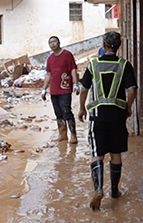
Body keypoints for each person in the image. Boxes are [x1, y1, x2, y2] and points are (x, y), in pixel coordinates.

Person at [77, 31, 137, 211]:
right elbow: (132, 90)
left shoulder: (93, 65)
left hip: (98, 116)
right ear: (118, 46)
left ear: (103, 45)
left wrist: (81, 108)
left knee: (97, 152)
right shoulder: (124, 65)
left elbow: (83, 89)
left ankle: (98, 189)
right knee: (116, 152)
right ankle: (114, 190)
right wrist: (128, 106)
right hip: (118, 115)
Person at [40, 36, 79, 143]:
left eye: (54, 41)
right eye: (50, 42)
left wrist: (75, 83)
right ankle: (62, 134)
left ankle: (73, 135)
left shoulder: (67, 55)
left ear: (59, 42)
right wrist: (44, 89)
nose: (52, 44)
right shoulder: (50, 58)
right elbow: (48, 74)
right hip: (54, 90)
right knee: (58, 113)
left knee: (66, 110)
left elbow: (73, 69)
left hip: (65, 88)